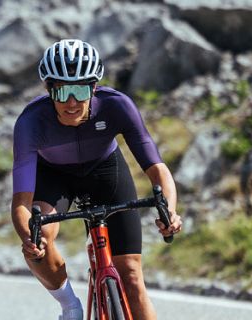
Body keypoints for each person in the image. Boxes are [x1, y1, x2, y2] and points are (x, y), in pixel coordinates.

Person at [11, 39, 183, 320]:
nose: (71, 102)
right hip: (54, 176)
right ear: (48, 89)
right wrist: (29, 238)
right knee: (39, 240)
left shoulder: (117, 106)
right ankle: (70, 305)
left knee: (130, 275)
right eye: (63, 91)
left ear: (93, 87)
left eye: (80, 90)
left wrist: (170, 212)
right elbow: (21, 201)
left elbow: (157, 169)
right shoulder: (31, 122)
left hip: (105, 170)